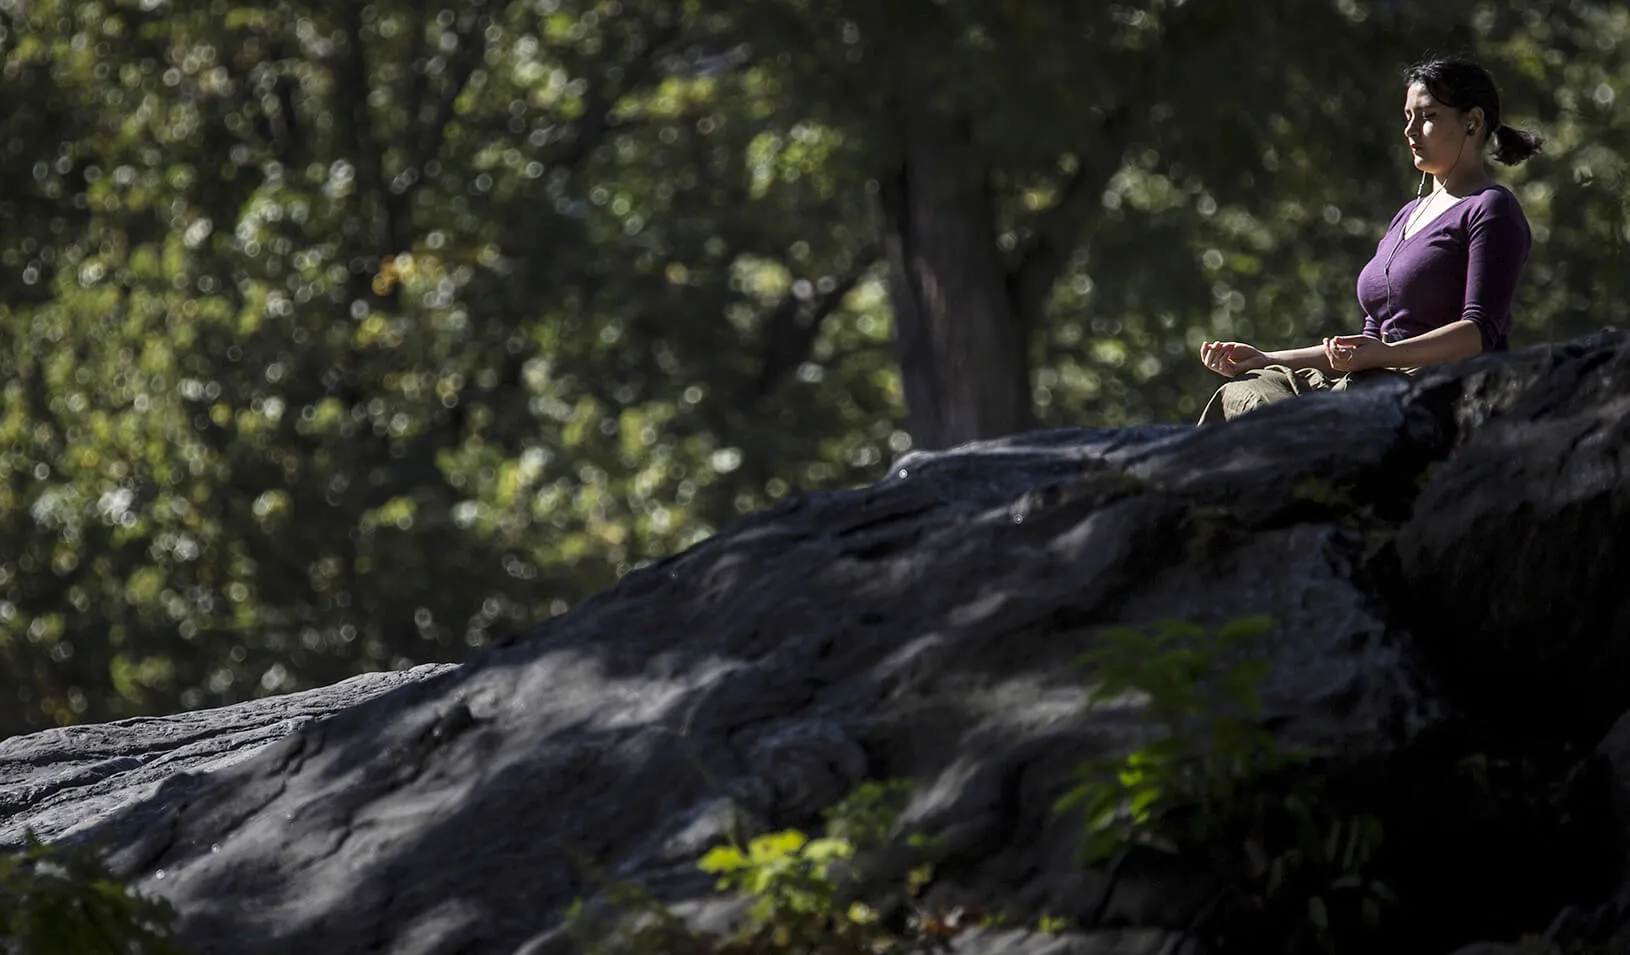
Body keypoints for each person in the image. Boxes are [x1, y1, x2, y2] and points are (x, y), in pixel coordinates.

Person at [1196, 55, 1543, 425]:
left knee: (1337, 403)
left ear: (1472, 123)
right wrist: (1268, 358)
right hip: (1371, 378)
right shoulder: (1407, 215)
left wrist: (1384, 355)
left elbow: (1478, 333)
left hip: (1439, 388)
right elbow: (1368, 343)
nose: (1410, 131)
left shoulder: (1491, 208)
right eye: (1408, 117)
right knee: (1251, 387)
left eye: (1427, 117)